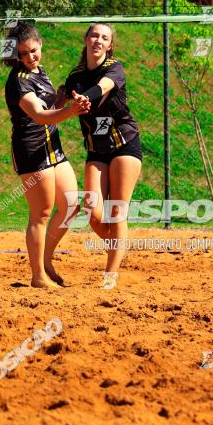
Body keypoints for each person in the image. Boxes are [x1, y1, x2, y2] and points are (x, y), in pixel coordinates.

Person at [4, 22, 90, 289]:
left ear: (40, 44)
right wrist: (71, 111)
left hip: (52, 146)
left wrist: (61, 100)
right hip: (31, 149)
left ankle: (46, 260)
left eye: (33, 50)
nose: (30, 57)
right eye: (23, 54)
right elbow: (39, 116)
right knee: (41, 213)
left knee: (71, 206)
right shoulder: (18, 81)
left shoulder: (40, 72)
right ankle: (38, 276)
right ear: (16, 56)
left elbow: (48, 107)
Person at [63, 23, 142, 289]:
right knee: (93, 211)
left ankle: (110, 274)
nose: (98, 40)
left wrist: (84, 98)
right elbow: (56, 99)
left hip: (124, 144)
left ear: (109, 45)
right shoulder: (75, 76)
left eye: (104, 37)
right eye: (94, 35)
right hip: (96, 149)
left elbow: (103, 87)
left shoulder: (114, 69)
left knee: (117, 210)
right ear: (86, 39)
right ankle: (117, 246)